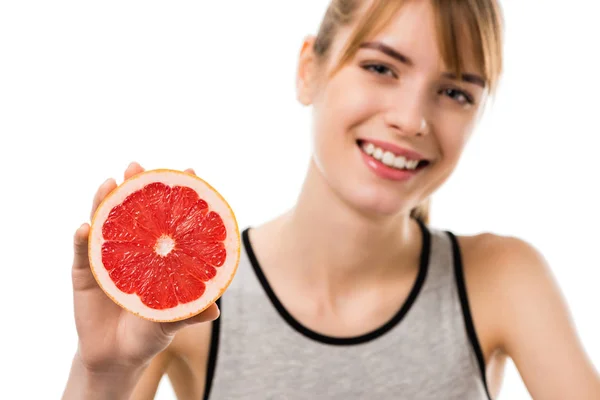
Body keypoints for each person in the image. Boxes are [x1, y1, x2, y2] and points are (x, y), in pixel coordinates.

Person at [62, 0, 600, 399]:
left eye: (456, 93)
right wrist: (102, 372)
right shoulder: (197, 308)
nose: (411, 120)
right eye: (381, 67)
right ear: (308, 70)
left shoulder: (503, 279)